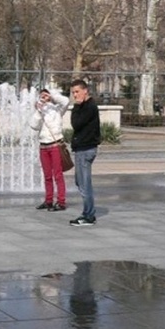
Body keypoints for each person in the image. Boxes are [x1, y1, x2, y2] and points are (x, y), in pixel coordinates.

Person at [29, 88, 70, 212]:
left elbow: (66, 101)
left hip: (55, 145)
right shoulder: (41, 110)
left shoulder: (57, 109)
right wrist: (38, 111)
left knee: (57, 175)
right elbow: (34, 126)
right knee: (47, 176)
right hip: (43, 146)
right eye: (41, 96)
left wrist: (51, 97)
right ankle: (48, 201)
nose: (44, 98)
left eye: (45, 95)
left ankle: (61, 201)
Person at [68, 79, 100, 226]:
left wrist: (76, 106)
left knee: (84, 183)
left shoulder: (89, 107)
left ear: (85, 90)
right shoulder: (85, 106)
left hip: (86, 149)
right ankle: (88, 212)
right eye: (73, 92)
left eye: (77, 92)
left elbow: (76, 124)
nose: (75, 95)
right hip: (82, 149)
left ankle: (89, 215)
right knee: (80, 182)